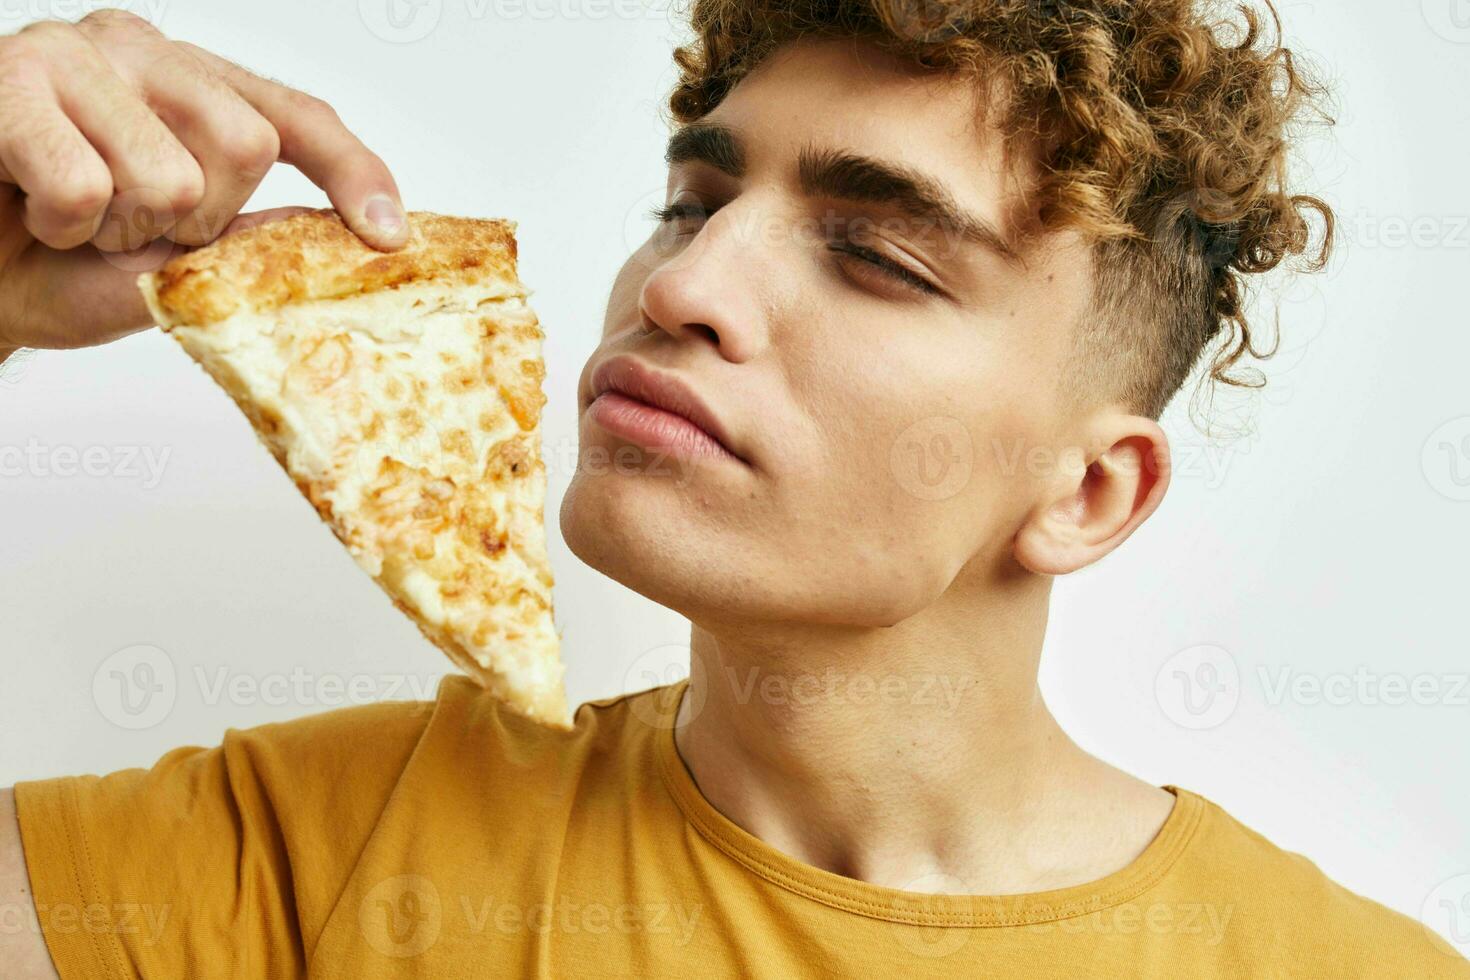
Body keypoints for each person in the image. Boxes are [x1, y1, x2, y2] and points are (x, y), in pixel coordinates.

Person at [1, 3, 1464, 976]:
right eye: (693, 206)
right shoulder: (309, 851)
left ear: (1087, 493)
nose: (685, 285)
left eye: (879, 256)